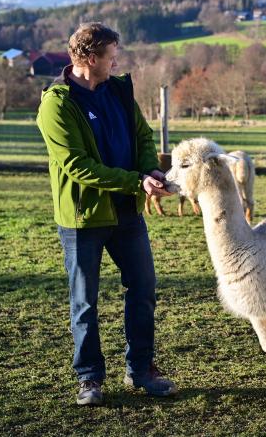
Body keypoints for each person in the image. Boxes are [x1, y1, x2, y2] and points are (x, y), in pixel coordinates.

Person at [37, 22, 177, 406]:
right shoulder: (57, 103)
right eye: (111, 56)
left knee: (144, 289)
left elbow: (143, 136)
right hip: (84, 219)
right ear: (89, 58)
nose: (117, 62)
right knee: (85, 302)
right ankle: (90, 378)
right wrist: (136, 182)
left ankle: (142, 370)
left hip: (127, 215)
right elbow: (78, 166)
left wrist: (150, 170)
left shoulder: (119, 90)